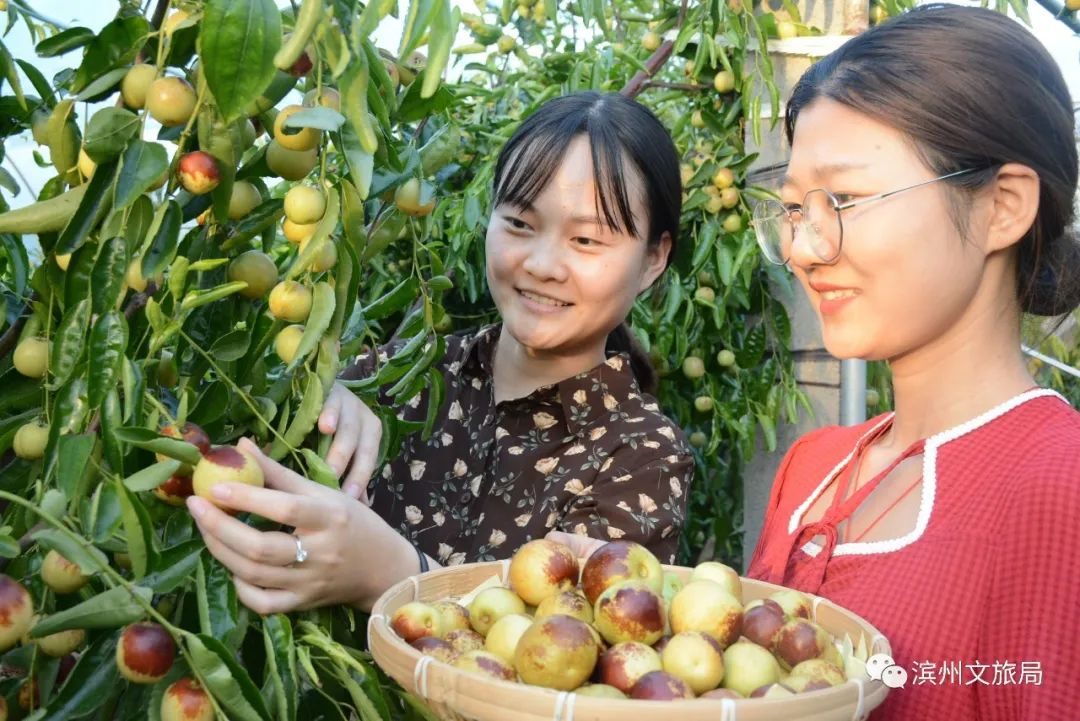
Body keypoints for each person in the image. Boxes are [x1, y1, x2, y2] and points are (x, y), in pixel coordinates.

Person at [186, 91, 694, 614]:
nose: (543, 264)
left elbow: (572, 656)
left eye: (586, 240)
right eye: (519, 224)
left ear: (654, 259)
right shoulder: (402, 376)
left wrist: (395, 577)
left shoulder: (641, 456)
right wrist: (314, 387)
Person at [742, 5, 1080, 719]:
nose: (804, 248)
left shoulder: (1062, 488)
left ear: (1004, 206)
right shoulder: (811, 469)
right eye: (795, 208)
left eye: (846, 200)